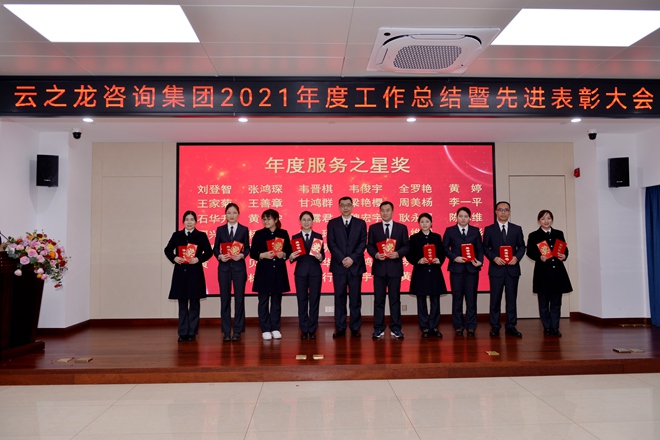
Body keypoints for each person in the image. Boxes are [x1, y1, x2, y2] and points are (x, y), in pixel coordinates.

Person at [164, 210, 213, 342]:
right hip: (180, 273)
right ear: (183, 222)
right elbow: (167, 250)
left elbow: (209, 252)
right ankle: (182, 332)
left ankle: (192, 332)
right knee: (182, 304)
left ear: (196, 221)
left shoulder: (201, 236)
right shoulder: (177, 235)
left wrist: (198, 258)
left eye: (192, 219)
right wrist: (174, 258)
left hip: (195, 273)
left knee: (194, 304)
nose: (189, 222)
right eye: (187, 219)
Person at [525, 210, 573, 337]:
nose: (546, 221)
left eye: (548, 218)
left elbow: (565, 249)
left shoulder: (558, 233)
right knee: (543, 303)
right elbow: (529, 252)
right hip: (542, 274)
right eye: (543, 218)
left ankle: (555, 327)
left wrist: (564, 256)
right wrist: (539, 257)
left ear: (552, 219)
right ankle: (547, 327)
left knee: (556, 303)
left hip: (557, 273)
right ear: (539, 221)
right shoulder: (534, 235)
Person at [366, 201, 410, 339]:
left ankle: (396, 328)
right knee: (378, 300)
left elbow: (406, 246)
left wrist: (398, 253)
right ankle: (378, 328)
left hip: (394, 269)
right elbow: (370, 246)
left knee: (395, 300)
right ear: (379, 212)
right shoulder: (373, 228)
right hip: (379, 269)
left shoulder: (401, 228)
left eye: (388, 210)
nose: (385, 213)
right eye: (383, 210)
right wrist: (375, 254)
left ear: (392, 211)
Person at [483, 201, 526, 338]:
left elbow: (522, 246)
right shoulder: (489, 229)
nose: (503, 212)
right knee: (495, 299)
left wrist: (517, 257)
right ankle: (495, 326)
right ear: (496, 211)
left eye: (506, 210)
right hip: (496, 269)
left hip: (512, 269)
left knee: (511, 299)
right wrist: (494, 258)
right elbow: (485, 248)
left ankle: (511, 325)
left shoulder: (516, 229)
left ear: (510, 212)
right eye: (500, 209)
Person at [327, 196, 367, 338]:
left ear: (352, 206)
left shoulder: (360, 223)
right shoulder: (332, 223)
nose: (345, 207)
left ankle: (355, 327)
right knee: (339, 298)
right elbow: (331, 243)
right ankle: (340, 327)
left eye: (348, 205)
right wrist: (342, 258)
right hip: (339, 266)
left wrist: (352, 258)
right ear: (339, 206)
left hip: (355, 266)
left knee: (355, 298)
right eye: (342, 205)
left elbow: (363, 243)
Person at [250, 209, 292, 340]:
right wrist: (262, 255)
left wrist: (283, 254)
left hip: (278, 271)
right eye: (264, 219)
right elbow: (252, 253)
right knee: (263, 301)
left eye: (268, 219)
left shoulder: (283, 233)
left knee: (276, 302)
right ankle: (265, 328)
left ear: (276, 219)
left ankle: (275, 327)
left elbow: (289, 251)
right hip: (264, 271)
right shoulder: (259, 234)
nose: (266, 221)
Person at [443, 206, 484, 337]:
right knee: (457, 298)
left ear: (469, 218)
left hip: (472, 269)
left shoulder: (475, 231)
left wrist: (480, 261)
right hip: (456, 269)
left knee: (471, 298)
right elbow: (445, 248)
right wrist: (455, 257)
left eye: (466, 216)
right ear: (456, 217)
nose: (463, 218)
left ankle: (471, 326)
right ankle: (458, 326)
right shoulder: (450, 231)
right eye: (460, 216)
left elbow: (479, 248)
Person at [213, 203, 250, 342]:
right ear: (225, 214)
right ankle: (226, 331)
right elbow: (215, 248)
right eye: (229, 212)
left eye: (234, 212)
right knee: (225, 299)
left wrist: (242, 255)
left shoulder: (244, 229)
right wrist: (219, 256)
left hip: (239, 268)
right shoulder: (220, 229)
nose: (232, 215)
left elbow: (247, 248)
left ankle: (238, 330)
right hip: (224, 268)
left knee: (239, 299)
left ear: (238, 214)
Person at [408, 213, 447, 338]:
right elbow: (409, 255)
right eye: (422, 222)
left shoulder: (436, 237)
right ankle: (424, 327)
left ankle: (434, 327)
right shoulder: (414, 238)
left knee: (435, 301)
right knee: (421, 301)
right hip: (420, 273)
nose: (424, 224)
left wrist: (439, 260)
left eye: (427, 221)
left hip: (434, 272)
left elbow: (442, 253)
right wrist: (418, 260)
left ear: (431, 223)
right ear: (419, 223)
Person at [289, 211, 326, 340]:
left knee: (314, 301)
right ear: (300, 221)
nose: (306, 222)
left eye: (309, 220)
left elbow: (322, 255)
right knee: (302, 301)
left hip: (315, 273)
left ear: (312, 221)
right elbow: (292, 256)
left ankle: (313, 329)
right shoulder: (295, 237)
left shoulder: (318, 237)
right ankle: (304, 329)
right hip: (300, 273)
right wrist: (291, 257)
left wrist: (320, 257)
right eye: (304, 220)